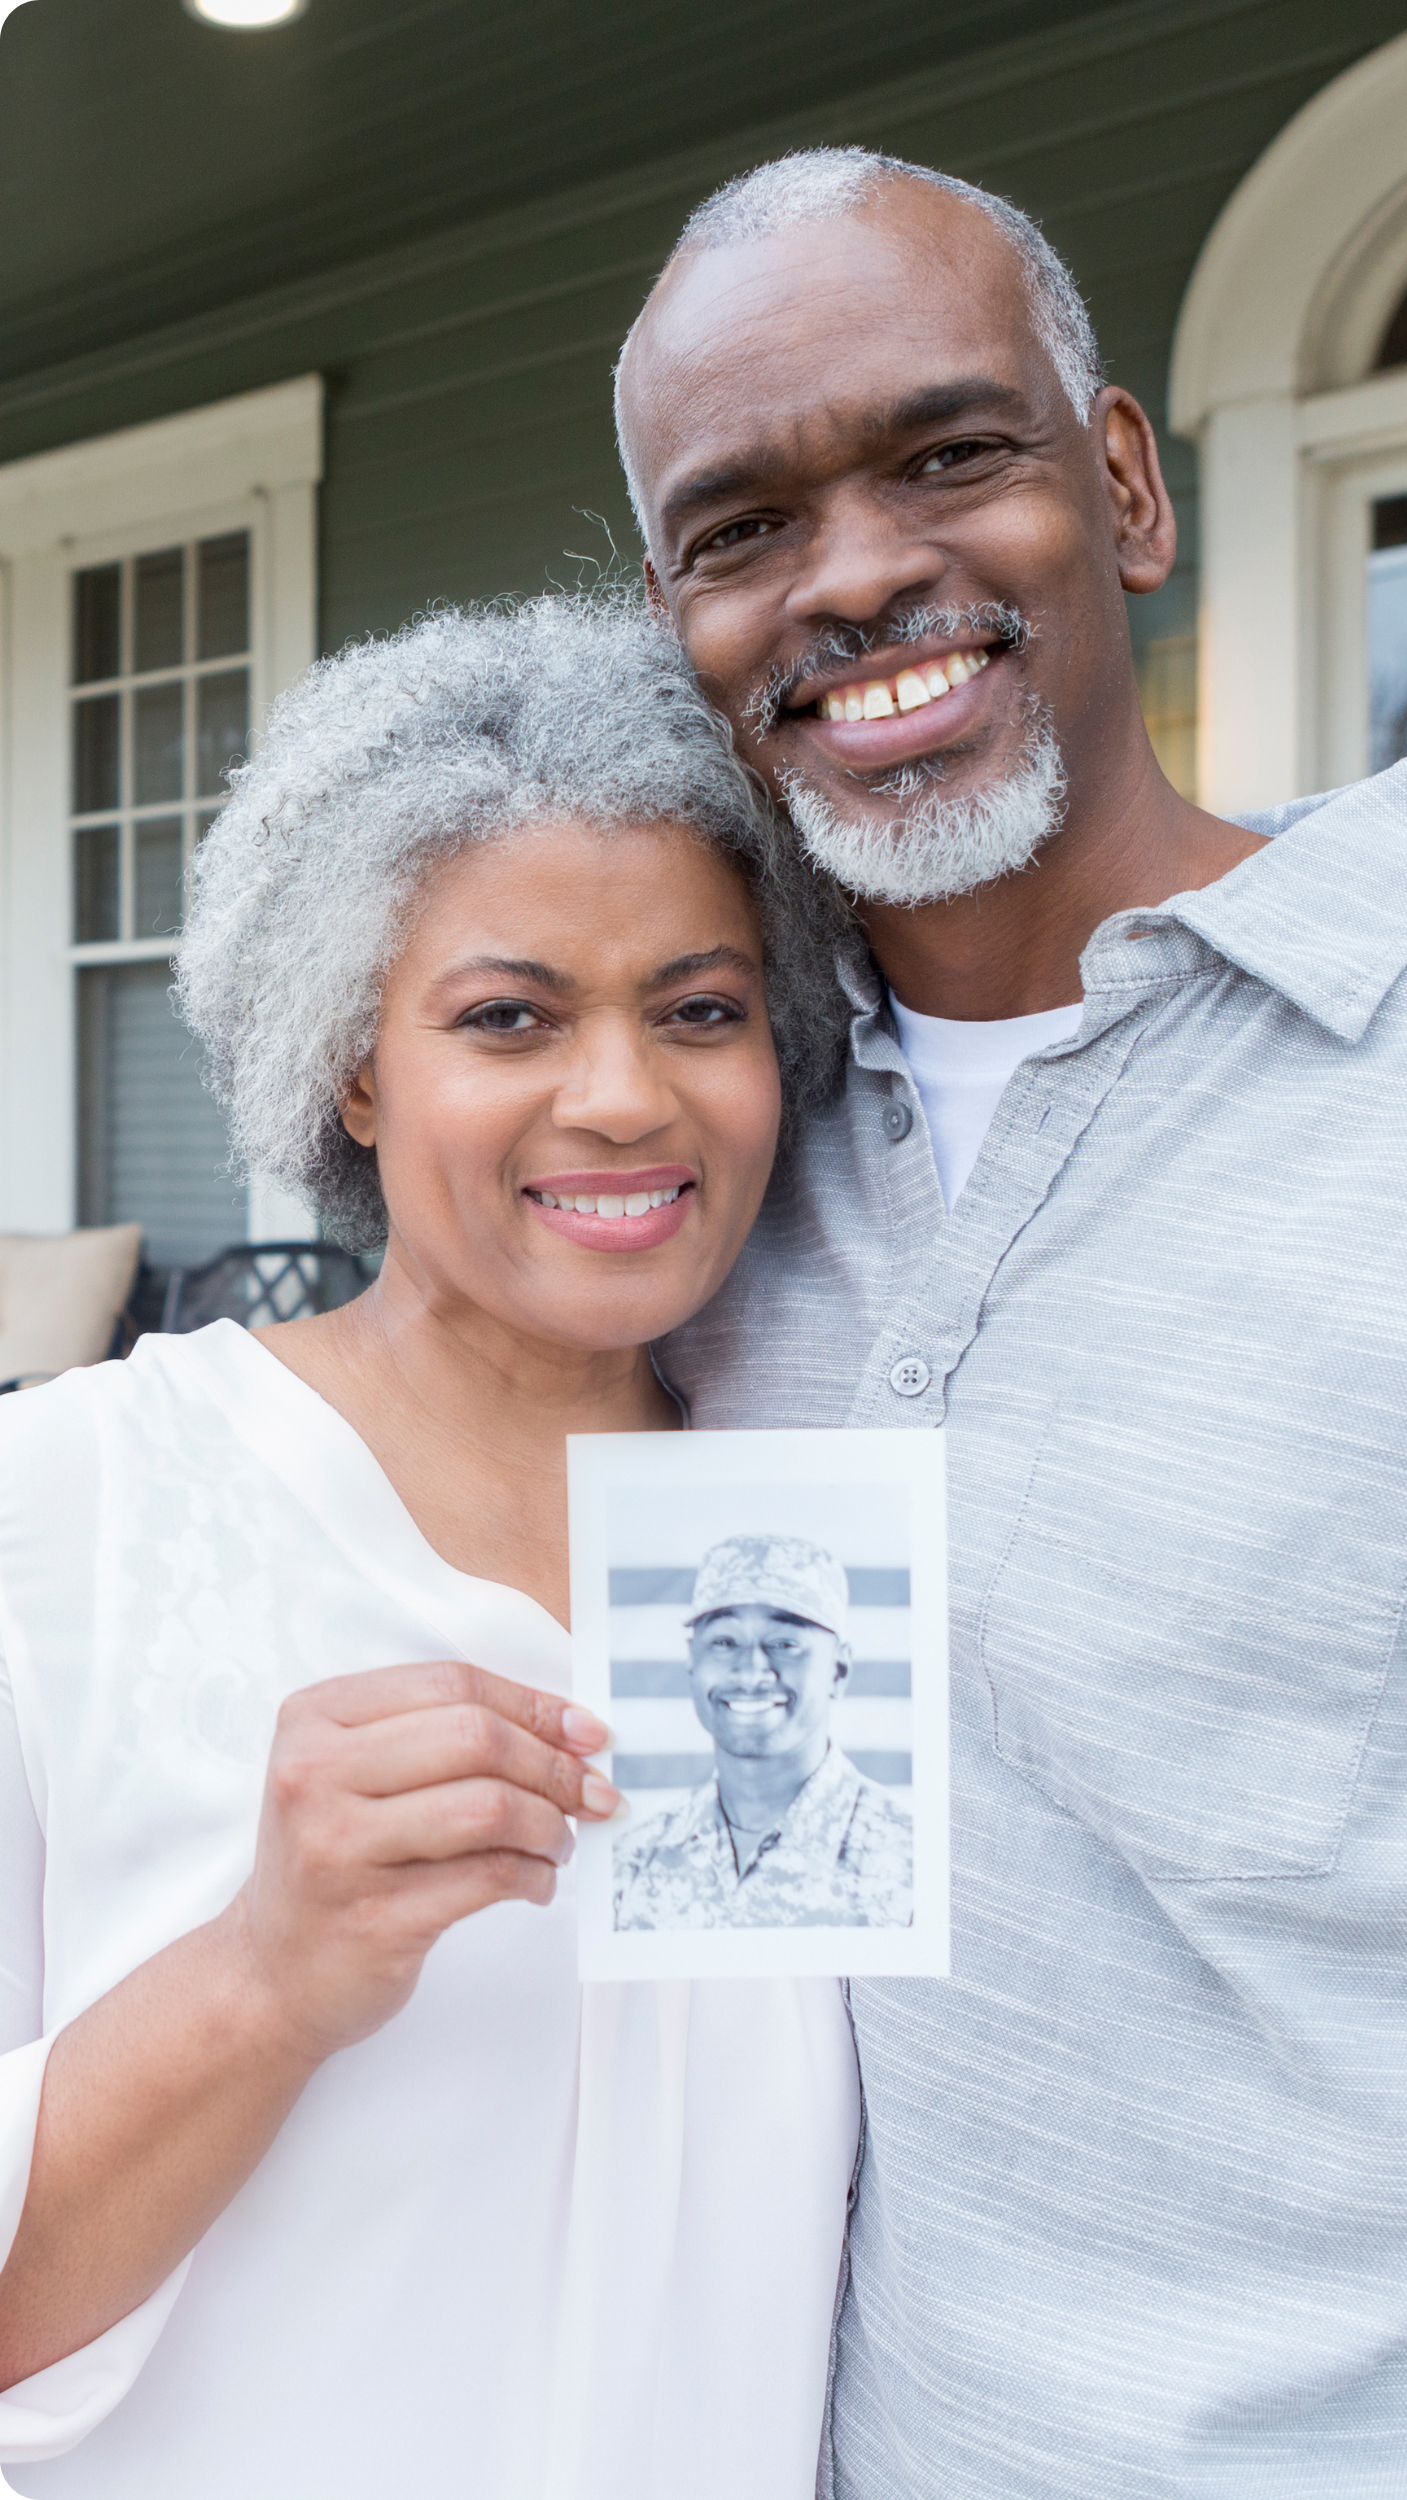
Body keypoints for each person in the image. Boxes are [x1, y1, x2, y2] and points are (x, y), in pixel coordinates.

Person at [612, 148, 1407, 2494]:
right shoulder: (692, 1165)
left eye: (947, 454)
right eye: (736, 528)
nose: (850, 577)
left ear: (1127, 487)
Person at [0, 596, 861, 2499]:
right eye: (508, 1016)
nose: (626, 1093)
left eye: (701, 1008)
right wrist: (263, 1973)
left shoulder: (829, 1550)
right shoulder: (72, 1512)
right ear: (357, 1064)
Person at [614, 1532, 913, 1929]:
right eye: (724, 1641)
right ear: (692, 1662)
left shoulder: (910, 1862)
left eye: (784, 1643)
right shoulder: (633, 1862)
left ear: (838, 1671)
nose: (752, 1670)